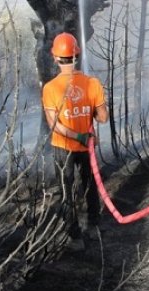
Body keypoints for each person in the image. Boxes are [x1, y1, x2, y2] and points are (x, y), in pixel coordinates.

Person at [42, 32, 109, 251]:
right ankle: (93, 226)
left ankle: (75, 237)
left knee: (66, 190)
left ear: (55, 58)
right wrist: (87, 116)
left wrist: (76, 134)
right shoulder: (92, 83)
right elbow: (103, 117)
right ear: (76, 55)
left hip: (63, 148)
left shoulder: (50, 88)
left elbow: (54, 125)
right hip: (85, 145)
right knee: (89, 186)